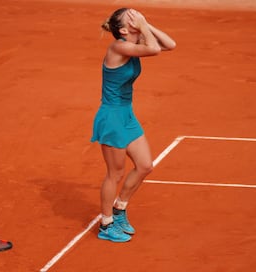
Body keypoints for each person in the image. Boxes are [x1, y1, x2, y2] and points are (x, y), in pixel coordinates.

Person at [91, 8, 176, 242]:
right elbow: (155, 49)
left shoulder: (135, 42)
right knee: (115, 174)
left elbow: (170, 44)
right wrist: (144, 26)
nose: (137, 16)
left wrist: (145, 23)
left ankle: (120, 209)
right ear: (124, 29)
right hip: (111, 118)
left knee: (145, 165)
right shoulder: (118, 47)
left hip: (127, 116)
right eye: (133, 17)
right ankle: (106, 224)